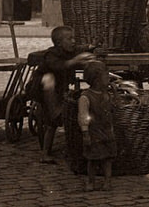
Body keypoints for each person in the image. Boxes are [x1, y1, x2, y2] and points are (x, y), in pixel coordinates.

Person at [29, 26, 96, 164]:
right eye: (69, 38)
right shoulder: (51, 54)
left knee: (52, 124)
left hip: (59, 90)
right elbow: (58, 66)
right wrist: (76, 60)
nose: (73, 41)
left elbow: (79, 49)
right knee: (49, 79)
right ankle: (55, 113)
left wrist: (90, 47)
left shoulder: (70, 51)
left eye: (74, 38)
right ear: (59, 43)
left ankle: (47, 152)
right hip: (41, 88)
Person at [77, 60, 116, 192]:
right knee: (92, 159)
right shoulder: (86, 97)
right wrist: (85, 132)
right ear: (97, 80)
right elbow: (83, 116)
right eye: (106, 76)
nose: (109, 78)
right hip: (94, 132)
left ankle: (107, 181)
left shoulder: (106, 95)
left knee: (108, 158)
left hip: (107, 131)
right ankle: (90, 181)